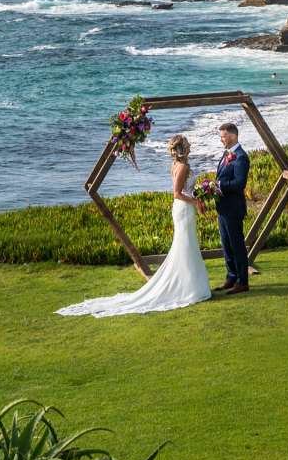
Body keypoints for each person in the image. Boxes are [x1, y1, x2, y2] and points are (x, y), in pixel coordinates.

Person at [56, 134, 211, 318]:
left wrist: (197, 196)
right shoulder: (183, 166)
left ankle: (188, 285)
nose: (190, 145)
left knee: (186, 245)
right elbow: (177, 193)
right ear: (183, 149)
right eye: (187, 144)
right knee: (185, 245)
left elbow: (183, 190)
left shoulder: (176, 165)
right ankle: (189, 288)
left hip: (182, 209)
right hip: (184, 208)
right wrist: (196, 202)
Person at [213, 120, 252, 295]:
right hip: (222, 208)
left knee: (237, 245)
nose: (221, 139)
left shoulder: (241, 157)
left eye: (223, 136)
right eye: (221, 136)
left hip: (233, 208)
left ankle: (242, 281)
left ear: (233, 136)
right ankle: (231, 277)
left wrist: (219, 185)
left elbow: (239, 183)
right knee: (226, 244)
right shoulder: (226, 153)